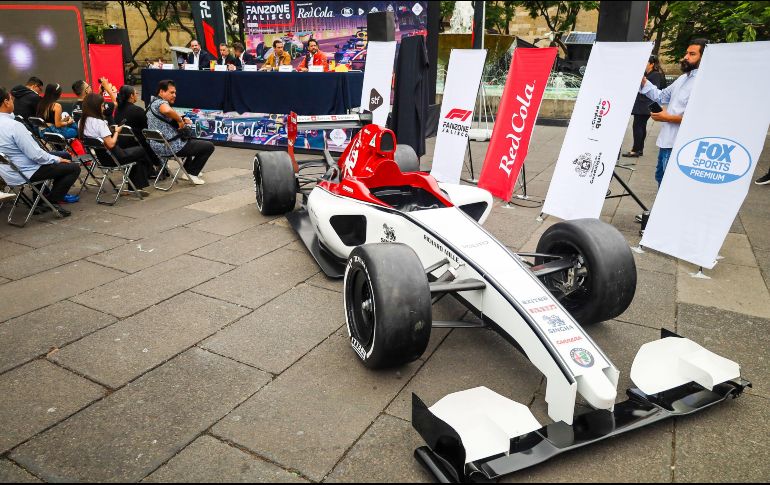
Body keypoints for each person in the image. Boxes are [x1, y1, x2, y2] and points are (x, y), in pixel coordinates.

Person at [0, 87, 79, 217]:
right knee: (73, 167)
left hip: (8, 171)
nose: (13, 102)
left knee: (64, 155)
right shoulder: (14, 126)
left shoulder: (10, 123)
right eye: (12, 99)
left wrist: (56, 158)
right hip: (26, 171)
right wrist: (57, 160)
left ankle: (42, 199)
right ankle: (51, 201)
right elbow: (36, 155)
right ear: (6, 102)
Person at [640, 38, 707, 188]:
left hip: (680, 144)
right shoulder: (683, 78)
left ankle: (664, 212)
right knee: (660, 178)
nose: (686, 57)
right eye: (686, 53)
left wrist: (668, 117)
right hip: (666, 140)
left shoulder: (703, 83)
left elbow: (698, 118)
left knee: (669, 184)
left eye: (692, 54)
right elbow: (662, 96)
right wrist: (643, 82)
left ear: (704, 58)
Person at [80, 92, 151, 195]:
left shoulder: (83, 122)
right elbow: (111, 144)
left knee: (136, 155)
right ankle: (136, 186)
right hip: (113, 157)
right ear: (96, 107)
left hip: (102, 158)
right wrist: (117, 131)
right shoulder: (99, 123)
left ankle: (134, 186)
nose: (104, 108)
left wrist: (111, 130)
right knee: (140, 151)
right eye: (102, 105)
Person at [145, 79, 214, 185]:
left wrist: (179, 119)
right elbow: (167, 110)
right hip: (170, 146)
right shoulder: (160, 102)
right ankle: (192, 173)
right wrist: (180, 120)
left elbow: (164, 117)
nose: (174, 95)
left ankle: (188, 169)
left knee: (189, 139)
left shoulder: (152, 103)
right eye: (171, 92)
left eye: (175, 92)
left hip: (157, 145)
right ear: (161, 92)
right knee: (208, 146)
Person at [113, 85, 163, 174]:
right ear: (132, 96)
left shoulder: (117, 110)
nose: (137, 94)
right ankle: (158, 165)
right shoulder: (137, 110)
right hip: (138, 144)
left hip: (122, 144)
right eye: (136, 93)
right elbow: (147, 128)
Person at [623, 55, 666, 158]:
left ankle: (636, 150)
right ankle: (639, 149)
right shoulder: (648, 74)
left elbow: (653, 89)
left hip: (644, 105)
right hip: (642, 105)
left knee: (637, 126)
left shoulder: (655, 75)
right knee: (640, 126)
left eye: (646, 62)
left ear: (651, 64)